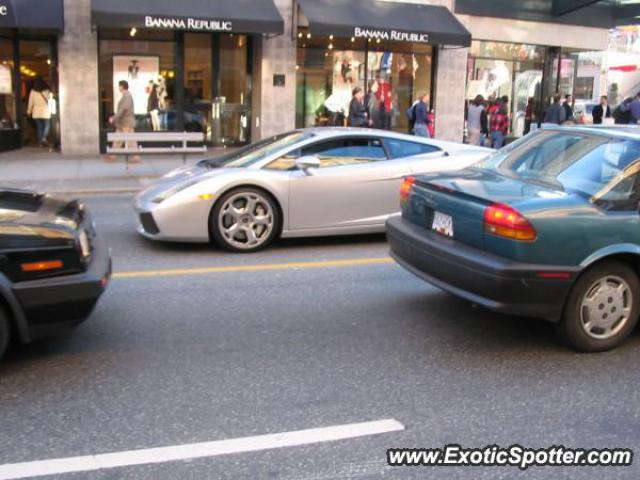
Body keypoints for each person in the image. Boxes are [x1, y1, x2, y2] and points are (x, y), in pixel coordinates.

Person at [105, 80, 140, 163]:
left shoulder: (127, 96)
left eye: (119, 86)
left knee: (131, 140)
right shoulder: (125, 96)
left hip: (126, 123)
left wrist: (113, 118)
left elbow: (123, 109)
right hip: (122, 123)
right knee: (117, 139)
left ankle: (136, 157)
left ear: (122, 86)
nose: (118, 87)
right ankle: (112, 155)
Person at [27, 77, 53, 148]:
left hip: (36, 112)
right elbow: (50, 100)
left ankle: (40, 142)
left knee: (39, 127)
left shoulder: (32, 91)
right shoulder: (47, 91)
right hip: (45, 111)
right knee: (47, 126)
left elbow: (30, 102)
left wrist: (29, 111)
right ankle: (44, 138)